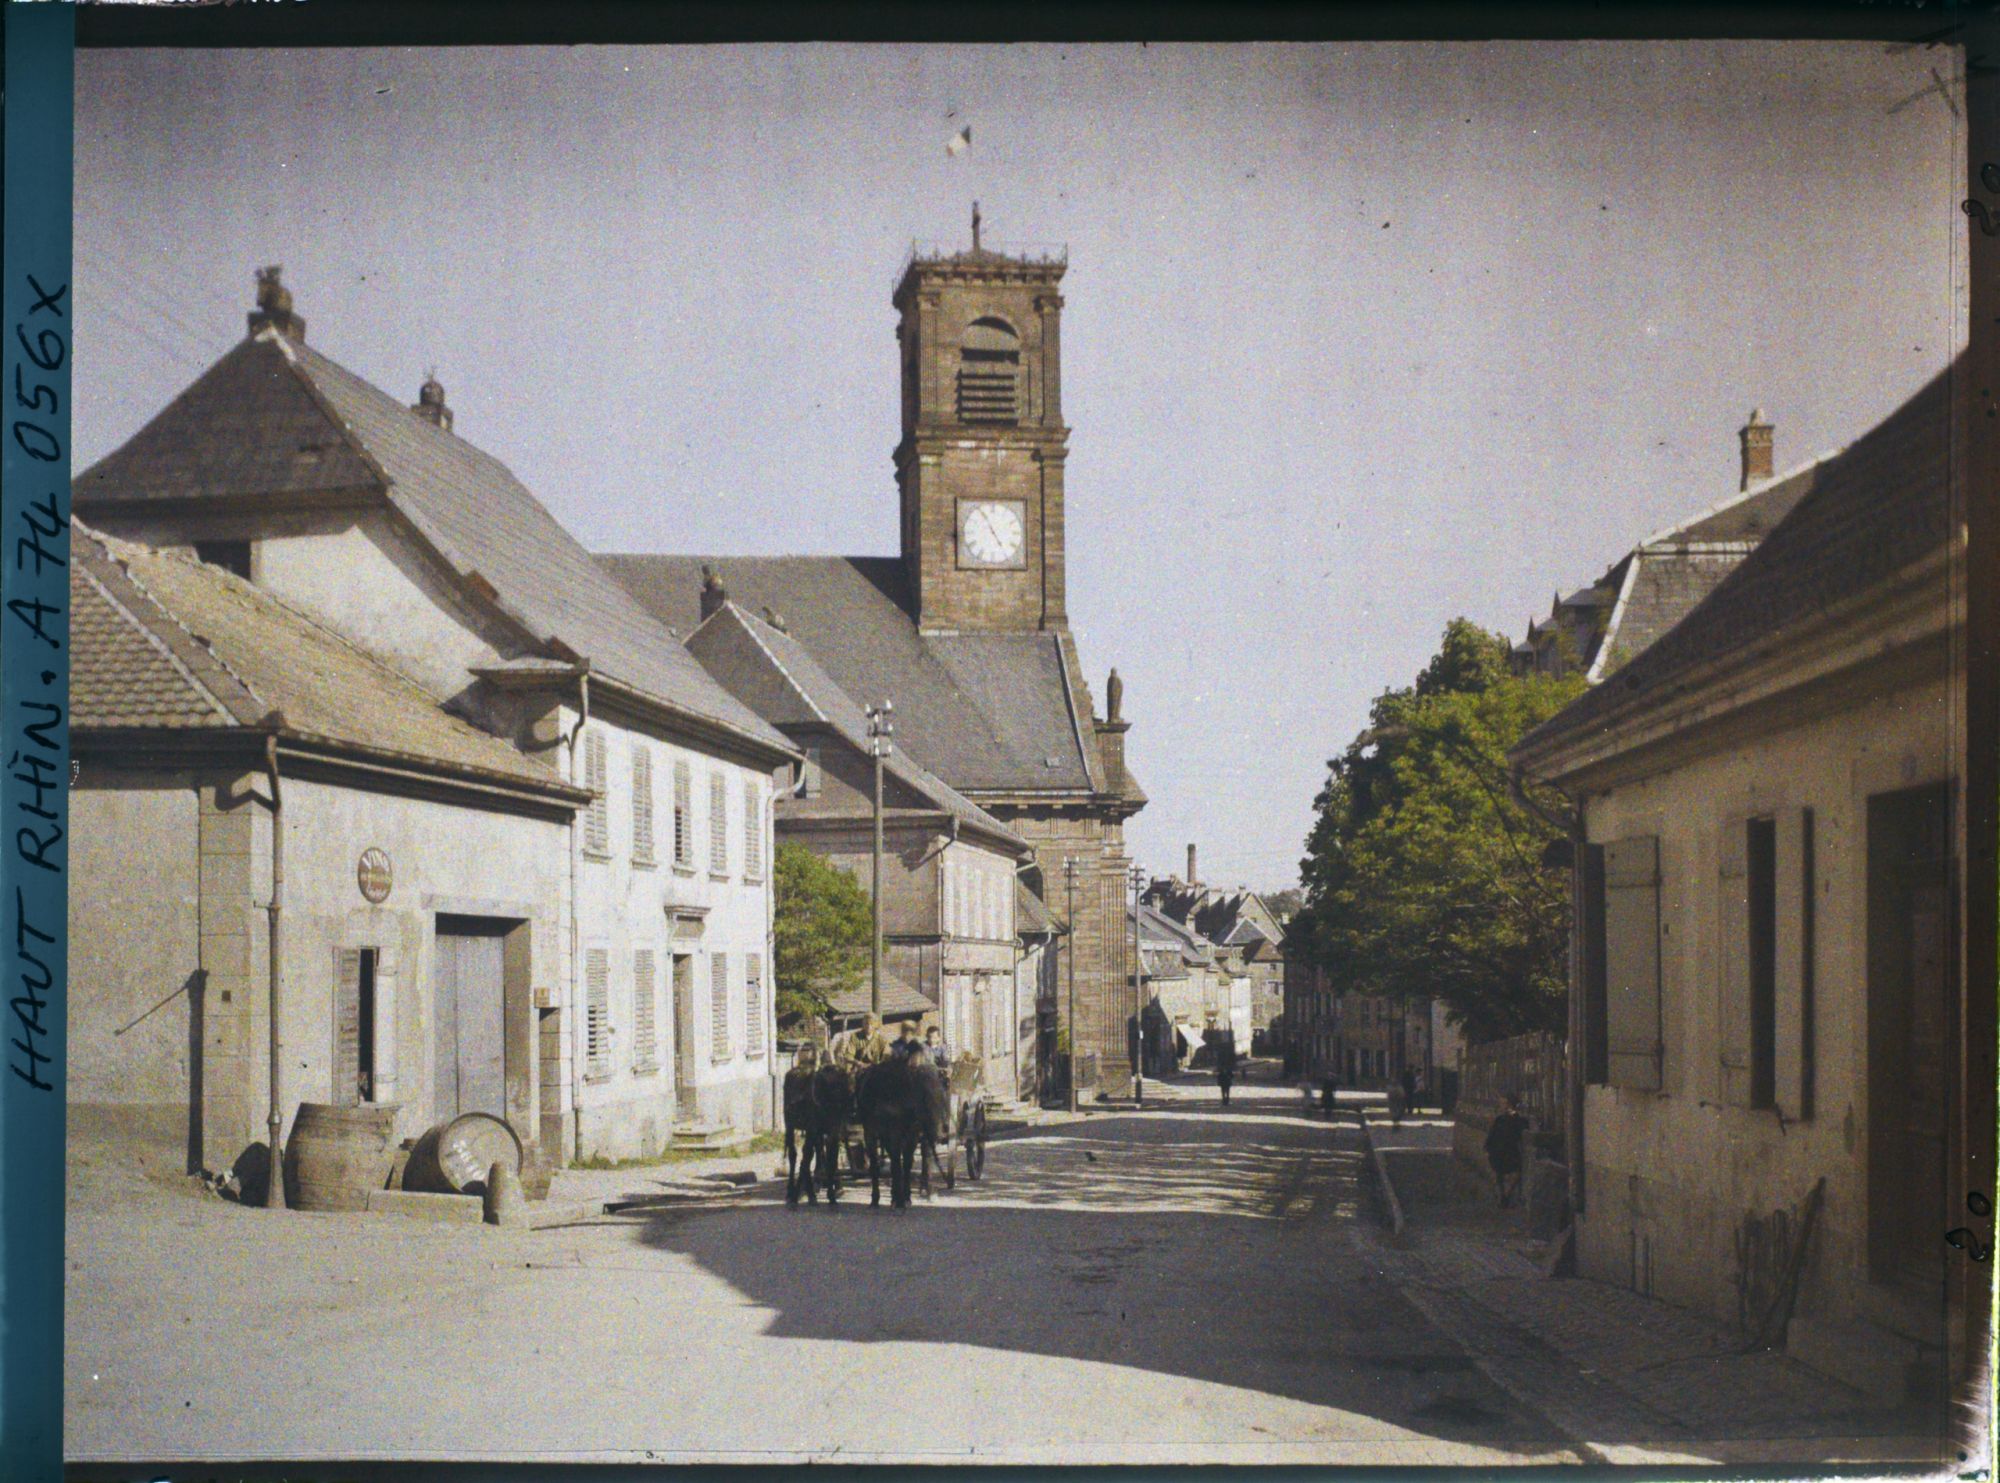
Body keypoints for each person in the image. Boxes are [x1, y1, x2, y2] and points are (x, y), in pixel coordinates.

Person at [1485, 1094, 1530, 1208]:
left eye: (1504, 1104)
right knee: (1500, 1174)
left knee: (1514, 1173)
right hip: (1499, 1150)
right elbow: (1493, 1134)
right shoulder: (1500, 1119)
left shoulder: (1516, 1119)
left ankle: (1506, 1195)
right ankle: (1503, 1196)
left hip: (1510, 1150)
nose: (1502, 1106)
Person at [1214, 1030, 1238, 1106]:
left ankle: (1225, 1098)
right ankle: (1226, 1098)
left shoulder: (1221, 1053)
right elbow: (1232, 1062)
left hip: (1223, 1074)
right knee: (1226, 1088)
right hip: (1226, 1073)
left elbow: (1219, 1062)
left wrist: (1219, 1069)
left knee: (1223, 1088)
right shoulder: (1229, 1053)